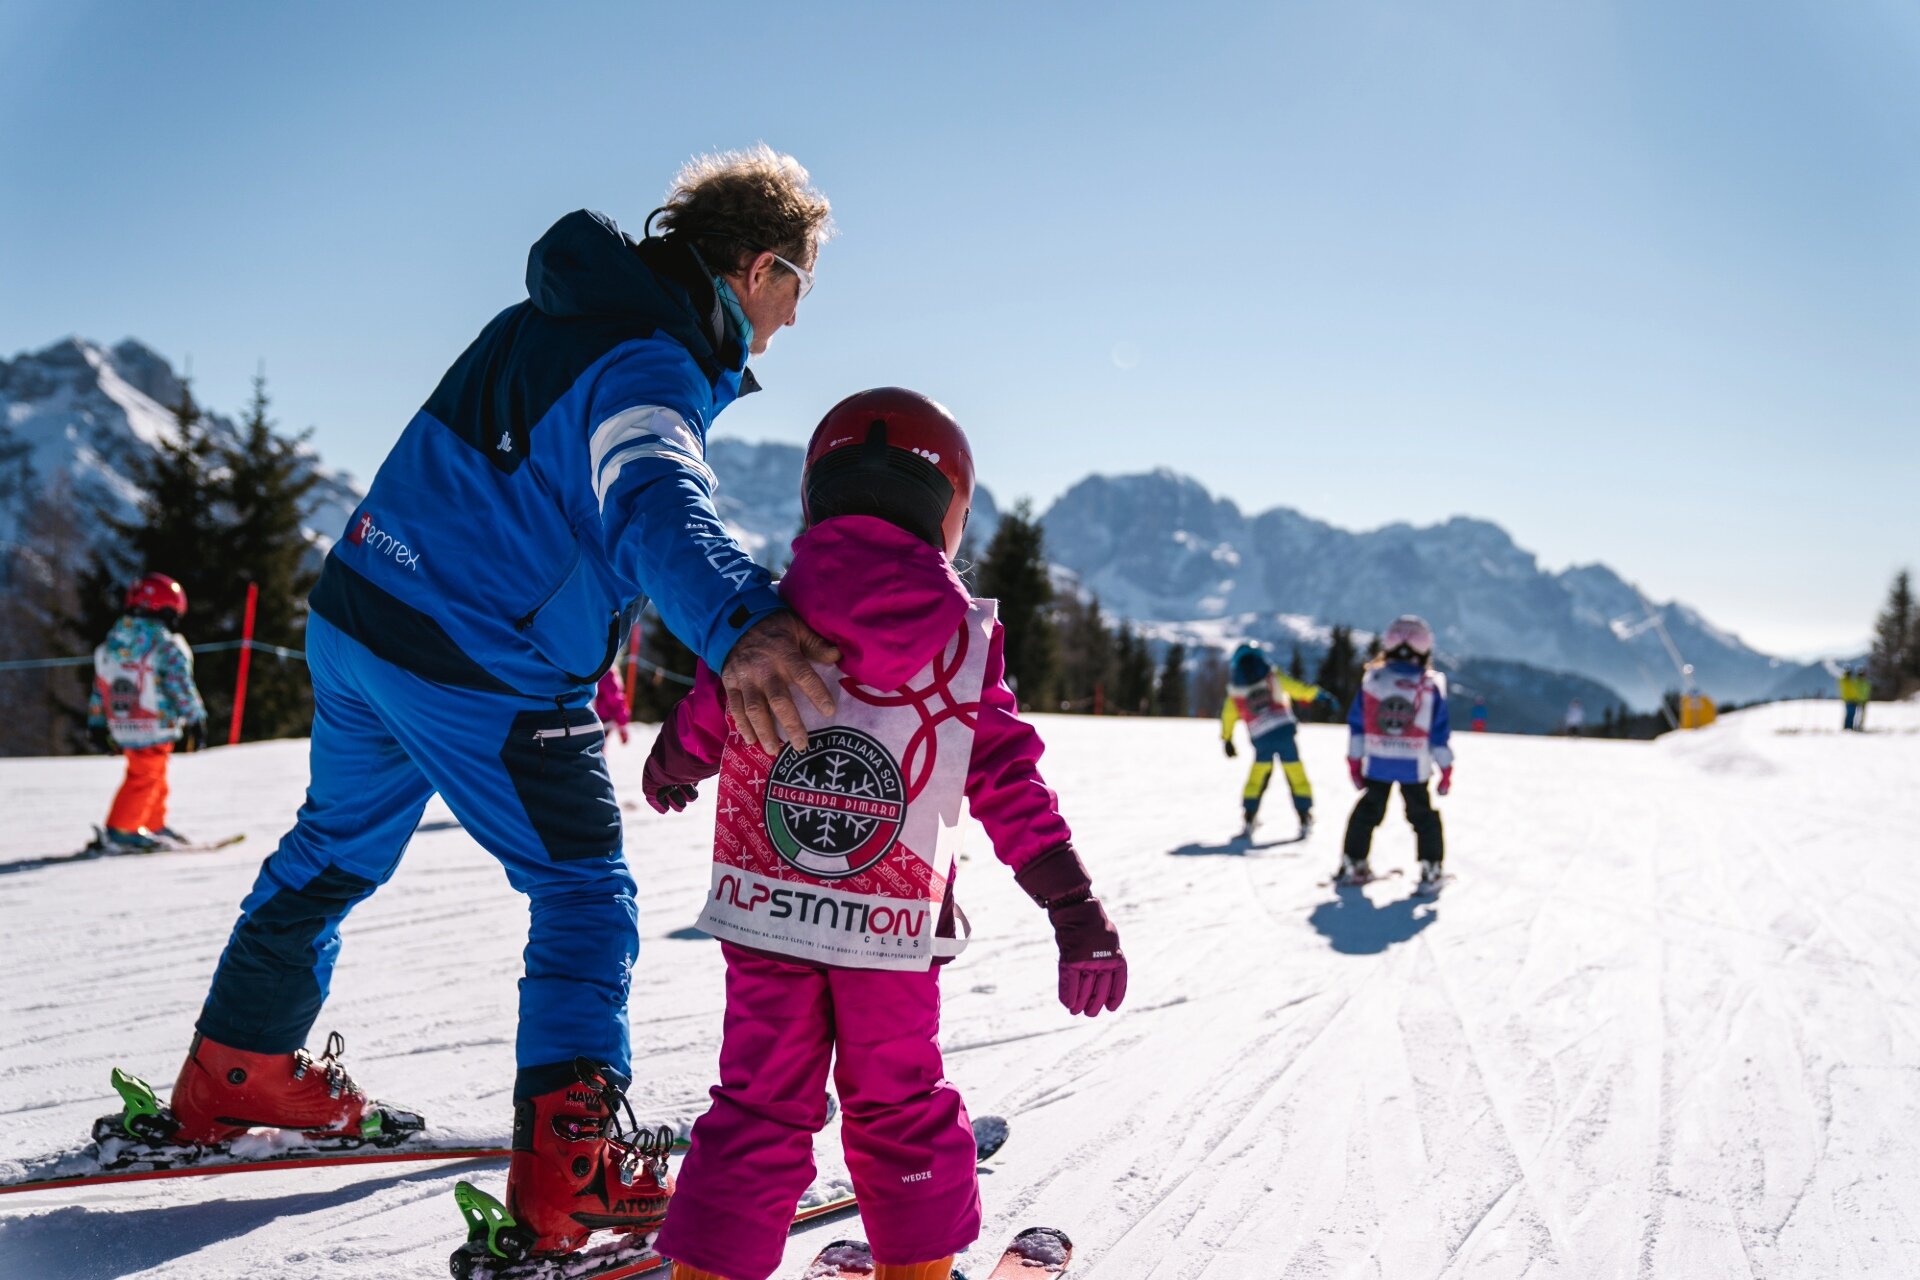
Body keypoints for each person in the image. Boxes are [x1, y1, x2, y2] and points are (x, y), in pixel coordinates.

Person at [164, 147, 839, 1260]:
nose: (793, 321)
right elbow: (652, 496)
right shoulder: (650, 361)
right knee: (583, 885)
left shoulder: (550, 315)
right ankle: (572, 1177)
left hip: (359, 615)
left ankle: (241, 1070)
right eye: (798, 289)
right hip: (480, 660)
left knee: (333, 843)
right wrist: (739, 622)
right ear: (760, 268)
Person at [641, 389, 1127, 1280]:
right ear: (947, 511)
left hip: (768, 906)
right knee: (897, 1098)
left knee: (756, 1103)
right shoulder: (961, 642)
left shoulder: (767, 612)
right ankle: (918, 1273)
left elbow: (715, 700)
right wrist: (1073, 904)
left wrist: (674, 761)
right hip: (891, 927)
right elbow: (1007, 780)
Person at [87, 572, 208, 851]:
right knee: (144, 777)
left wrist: (96, 723)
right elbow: (179, 684)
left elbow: (100, 687)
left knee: (153, 773)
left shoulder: (110, 646)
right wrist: (195, 717)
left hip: (123, 722)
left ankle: (152, 823)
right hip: (155, 721)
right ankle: (121, 831)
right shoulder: (165, 646)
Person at [1341, 614, 1452, 894]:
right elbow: (1438, 734)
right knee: (1423, 816)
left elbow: (1357, 725)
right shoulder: (1429, 685)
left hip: (1378, 762)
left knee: (1368, 811)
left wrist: (1355, 761)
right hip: (1414, 765)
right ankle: (1431, 868)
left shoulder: (1373, 680)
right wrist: (1446, 768)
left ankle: (1353, 862)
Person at [1219, 642, 1338, 837]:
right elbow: (1298, 689)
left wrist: (1227, 739)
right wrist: (1320, 695)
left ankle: (1249, 818)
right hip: (1284, 732)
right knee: (1295, 773)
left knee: (1257, 776)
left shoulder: (1235, 690)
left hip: (1261, 737)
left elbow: (1228, 716)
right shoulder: (1272, 677)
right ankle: (1305, 817)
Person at [596, 670, 632, 744]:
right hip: (601, 720)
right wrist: (623, 726)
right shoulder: (607, 672)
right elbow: (615, 700)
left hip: (586, 718)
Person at [1839, 667, 1871, 731]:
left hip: (1859, 700)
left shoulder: (1863, 682)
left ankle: (1856, 726)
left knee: (1859, 714)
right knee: (1851, 714)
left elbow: (1867, 690)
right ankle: (1848, 727)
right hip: (1852, 699)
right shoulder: (1850, 681)